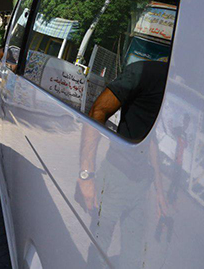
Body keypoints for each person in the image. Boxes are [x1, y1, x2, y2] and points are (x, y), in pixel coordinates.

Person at [77, 60, 169, 266]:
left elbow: (151, 139)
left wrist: (160, 193)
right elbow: (98, 110)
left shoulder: (170, 85)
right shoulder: (145, 72)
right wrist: (86, 175)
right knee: (99, 248)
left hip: (141, 185)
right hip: (115, 178)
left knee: (134, 257)